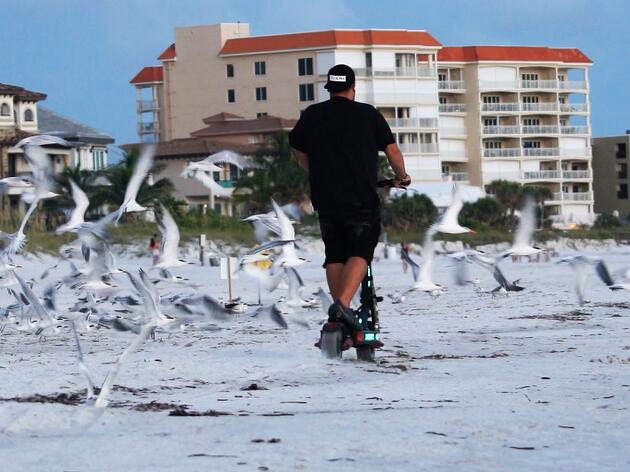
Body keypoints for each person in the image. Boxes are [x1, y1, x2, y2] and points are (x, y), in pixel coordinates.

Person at [289, 64, 410, 343]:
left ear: (329, 88)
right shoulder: (367, 114)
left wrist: (313, 170)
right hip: (360, 197)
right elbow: (391, 150)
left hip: (326, 196)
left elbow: (297, 147)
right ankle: (342, 306)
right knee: (361, 249)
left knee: (335, 254)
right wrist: (401, 177)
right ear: (353, 88)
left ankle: (338, 319)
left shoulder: (312, 115)